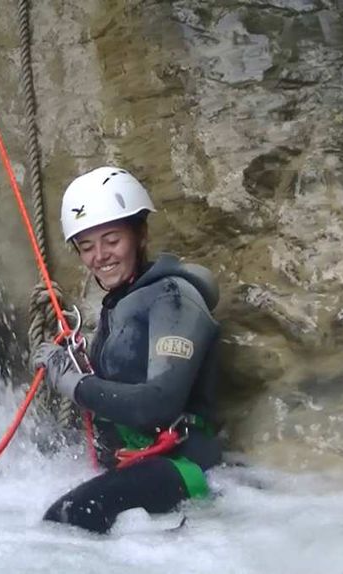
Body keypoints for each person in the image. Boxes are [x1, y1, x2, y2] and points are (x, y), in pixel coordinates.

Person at [33, 166, 222, 534]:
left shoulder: (173, 298)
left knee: (69, 518)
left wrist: (75, 384)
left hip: (185, 465)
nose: (100, 255)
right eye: (86, 246)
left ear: (140, 234)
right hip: (142, 463)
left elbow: (159, 403)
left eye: (112, 240)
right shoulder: (120, 305)